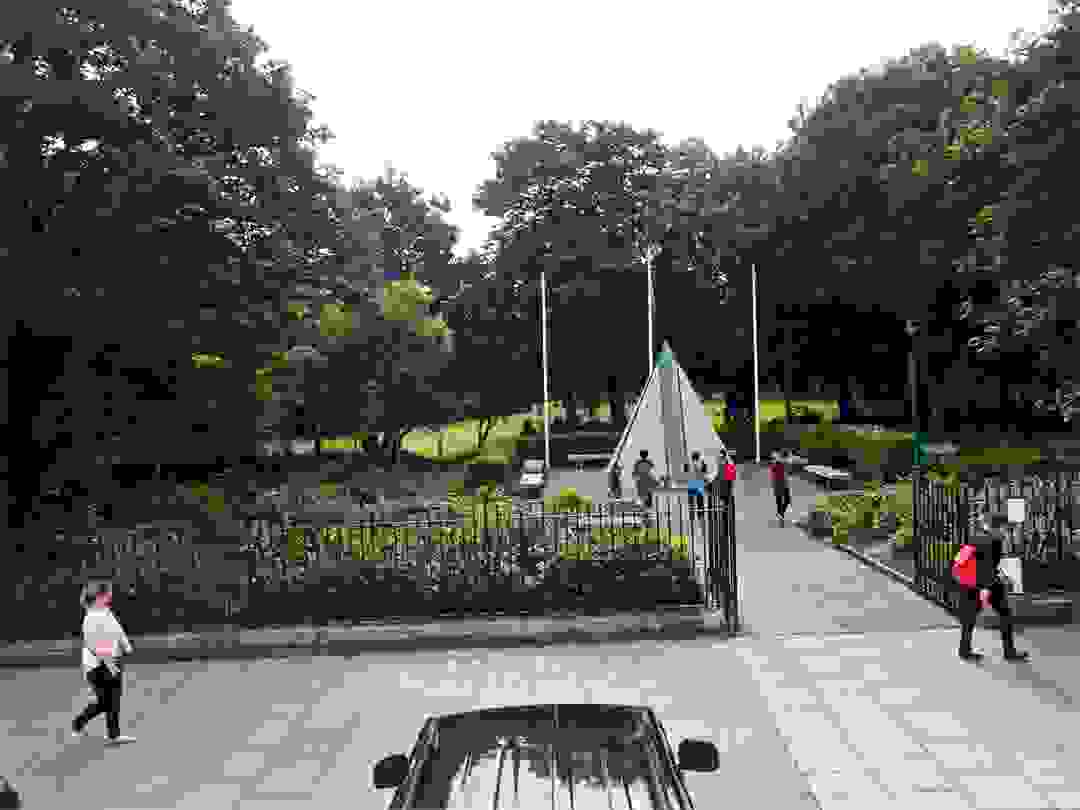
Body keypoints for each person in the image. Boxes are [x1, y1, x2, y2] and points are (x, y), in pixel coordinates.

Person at [954, 508, 1030, 663]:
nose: (1006, 532)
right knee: (1005, 614)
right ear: (999, 527)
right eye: (1005, 528)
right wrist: (987, 588)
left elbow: (969, 559)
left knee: (969, 617)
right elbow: (987, 566)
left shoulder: (976, 536)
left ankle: (964, 650)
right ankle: (1009, 651)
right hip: (985, 584)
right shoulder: (994, 541)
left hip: (970, 583)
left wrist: (998, 576)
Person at [72, 581, 137, 744]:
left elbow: (118, 630)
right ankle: (78, 723)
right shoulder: (90, 618)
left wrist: (126, 646)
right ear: (99, 597)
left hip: (114, 660)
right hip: (96, 666)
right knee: (104, 702)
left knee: (113, 700)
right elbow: (92, 644)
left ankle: (113, 735)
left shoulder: (107, 612)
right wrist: (108, 662)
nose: (111, 595)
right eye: (108, 593)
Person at [768, 450, 791, 525]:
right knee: (779, 501)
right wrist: (778, 460)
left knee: (787, 500)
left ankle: (780, 514)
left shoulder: (784, 462)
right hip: (777, 484)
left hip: (785, 483)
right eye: (773, 457)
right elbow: (774, 468)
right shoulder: (775, 464)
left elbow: (786, 469)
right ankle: (780, 516)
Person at [686, 451, 708, 521]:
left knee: (691, 502)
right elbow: (704, 473)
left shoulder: (689, 464)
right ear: (698, 457)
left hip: (691, 484)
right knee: (700, 501)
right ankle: (700, 516)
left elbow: (687, 473)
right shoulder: (700, 464)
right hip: (699, 484)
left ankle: (691, 516)